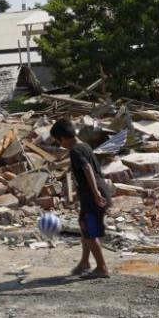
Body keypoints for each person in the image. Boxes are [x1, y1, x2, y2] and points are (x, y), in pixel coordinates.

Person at [50, 118, 111, 279]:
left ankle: (102, 267)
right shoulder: (85, 146)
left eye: (58, 141)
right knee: (85, 226)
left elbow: (87, 168)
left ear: (62, 138)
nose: (59, 144)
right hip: (95, 193)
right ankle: (85, 262)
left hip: (94, 196)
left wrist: (96, 194)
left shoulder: (76, 151)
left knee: (89, 230)